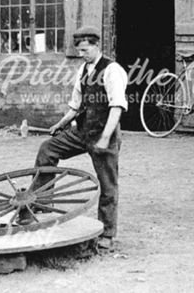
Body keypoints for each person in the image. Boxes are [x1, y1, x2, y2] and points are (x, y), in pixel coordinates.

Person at [31, 25, 128, 250]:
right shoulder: (83, 70)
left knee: (107, 184)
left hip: (104, 134)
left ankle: (108, 234)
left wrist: (105, 138)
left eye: (85, 50)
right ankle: (43, 202)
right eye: (80, 51)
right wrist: (60, 124)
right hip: (82, 131)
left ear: (96, 46)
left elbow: (117, 107)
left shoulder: (113, 70)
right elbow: (76, 106)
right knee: (47, 149)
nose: (82, 55)